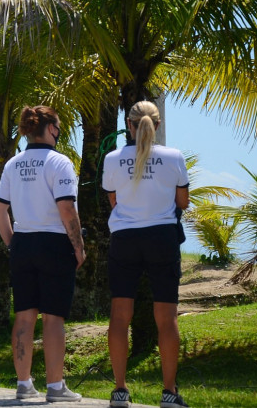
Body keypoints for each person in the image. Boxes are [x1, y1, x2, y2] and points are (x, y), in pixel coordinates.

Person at [0, 105, 86, 402]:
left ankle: (24, 384)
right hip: (54, 244)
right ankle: (56, 387)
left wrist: (13, 244)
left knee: (24, 316)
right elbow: (67, 208)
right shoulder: (60, 162)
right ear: (50, 129)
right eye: (58, 127)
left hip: (23, 243)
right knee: (53, 318)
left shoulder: (13, 164)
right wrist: (78, 246)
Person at [102, 100, 190, 408]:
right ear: (158, 124)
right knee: (166, 318)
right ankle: (169, 392)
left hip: (125, 238)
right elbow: (183, 202)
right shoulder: (174, 157)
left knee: (119, 315)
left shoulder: (113, 159)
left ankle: (120, 390)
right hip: (162, 238)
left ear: (129, 124)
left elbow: (113, 201)